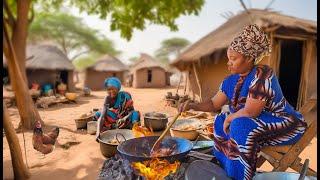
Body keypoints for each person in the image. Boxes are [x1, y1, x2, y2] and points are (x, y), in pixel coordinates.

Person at [179, 24, 307, 180]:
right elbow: (213, 104)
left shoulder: (263, 74)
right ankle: (226, 167)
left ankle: (239, 176)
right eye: (228, 59)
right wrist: (192, 105)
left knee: (240, 125)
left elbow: (251, 112)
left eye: (233, 59)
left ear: (249, 58)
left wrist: (230, 117)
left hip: (284, 123)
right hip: (254, 123)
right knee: (220, 120)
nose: (229, 63)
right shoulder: (230, 81)